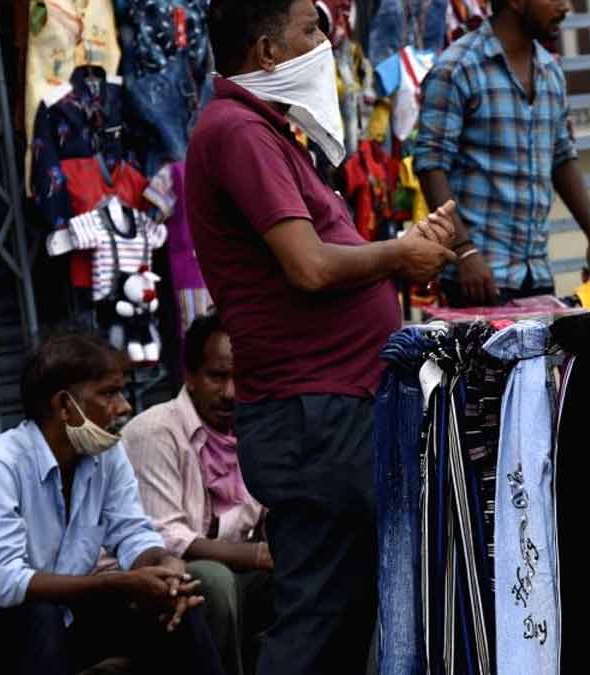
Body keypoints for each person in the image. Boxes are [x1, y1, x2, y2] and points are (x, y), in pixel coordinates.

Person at [187, 2, 459, 673]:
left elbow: (324, 257)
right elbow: (309, 265)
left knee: (344, 615)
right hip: (312, 413)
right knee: (319, 619)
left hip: (332, 407)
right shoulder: (239, 131)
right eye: (311, 29)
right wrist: (398, 255)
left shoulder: (268, 132)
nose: (326, 39)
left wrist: (403, 250)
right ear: (268, 53)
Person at [0, 332, 224, 675]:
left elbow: (132, 535)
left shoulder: (105, 455)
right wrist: (120, 582)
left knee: (176, 603)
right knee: (41, 614)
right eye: (110, 393)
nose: (125, 406)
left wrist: (164, 565)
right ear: (65, 406)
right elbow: (8, 582)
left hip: (64, 621)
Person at [414, 0, 590, 307]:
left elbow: (562, 157)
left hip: (535, 274)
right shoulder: (459, 67)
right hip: (477, 278)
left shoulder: (550, 70)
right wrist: (464, 251)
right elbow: (430, 165)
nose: (566, 7)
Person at [123, 313, 274, 675]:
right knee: (214, 580)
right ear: (189, 377)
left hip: (233, 569)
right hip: (157, 577)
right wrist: (255, 554)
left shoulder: (254, 428)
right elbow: (167, 536)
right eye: (217, 377)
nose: (230, 393)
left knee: (309, 572)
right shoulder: (156, 431)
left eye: (240, 377)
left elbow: (266, 510)